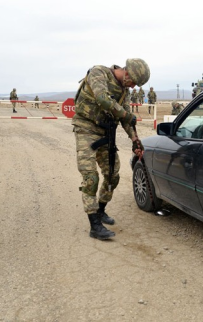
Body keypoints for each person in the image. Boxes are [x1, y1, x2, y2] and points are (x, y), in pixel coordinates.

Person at [72, 58, 149, 240]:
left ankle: (100, 211)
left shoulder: (124, 91)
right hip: (86, 128)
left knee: (112, 175)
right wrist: (125, 114)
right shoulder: (99, 73)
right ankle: (94, 226)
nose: (131, 87)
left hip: (106, 132)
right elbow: (102, 99)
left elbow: (126, 118)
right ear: (127, 72)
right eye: (132, 82)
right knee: (91, 177)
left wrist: (135, 140)